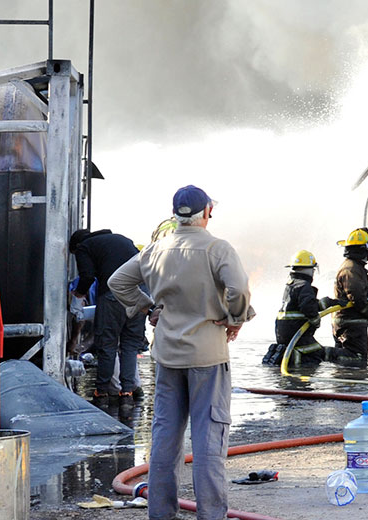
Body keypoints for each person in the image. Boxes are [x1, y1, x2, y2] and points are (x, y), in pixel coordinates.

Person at [109, 185, 253, 520]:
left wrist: (148, 308)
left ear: (176, 215)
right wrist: (235, 318)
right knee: (208, 442)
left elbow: (118, 282)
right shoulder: (217, 248)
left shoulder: (156, 249)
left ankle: (161, 514)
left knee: (164, 439)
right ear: (206, 213)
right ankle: (211, 515)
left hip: (167, 357)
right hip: (208, 356)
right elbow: (239, 289)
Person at [70, 227, 149, 401]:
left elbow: (87, 276)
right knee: (130, 344)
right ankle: (127, 394)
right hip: (141, 293)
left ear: (76, 246)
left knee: (107, 344)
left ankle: (102, 393)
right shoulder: (122, 239)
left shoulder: (84, 247)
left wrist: (78, 296)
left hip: (113, 295)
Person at [332, 228, 368, 366]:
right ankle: (325, 355)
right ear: (362, 250)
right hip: (350, 323)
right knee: (356, 360)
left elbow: (364, 288)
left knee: (349, 363)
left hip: (350, 323)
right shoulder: (351, 269)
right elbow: (357, 298)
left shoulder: (355, 268)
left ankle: (346, 384)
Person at [262, 250, 327, 369]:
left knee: (302, 351)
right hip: (297, 331)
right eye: (313, 270)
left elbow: (300, 305)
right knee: (314, 355)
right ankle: (300, 374)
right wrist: (315, 319)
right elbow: (307, 306)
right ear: (309, 270)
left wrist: (328, 303)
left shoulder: (290, 285)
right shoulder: (304, 285)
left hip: (285, 332)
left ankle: (293, 367)